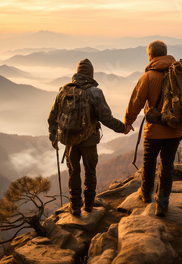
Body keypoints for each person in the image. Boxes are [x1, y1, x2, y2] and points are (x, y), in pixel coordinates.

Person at [48, 59, 129, 216]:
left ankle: (75, 207)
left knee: (73, 173)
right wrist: (123, 128)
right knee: (90, 172)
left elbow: (52, 117)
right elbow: (106, 118)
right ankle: (89, 205)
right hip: (89, 141)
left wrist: (53, 137)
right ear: (90, 74)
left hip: (69, 141)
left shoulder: (63, 92)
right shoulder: (95, 93)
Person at [124, 40, 182, 217]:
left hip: (154, 130)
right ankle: (163, 203)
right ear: (165, 53)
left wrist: (128, 122)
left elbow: (136, 102)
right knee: (167, 165)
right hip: (175, 129)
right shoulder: (179, 74)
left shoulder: (148, 77)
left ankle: (146, 194)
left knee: (149, 161)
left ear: (150, 56)